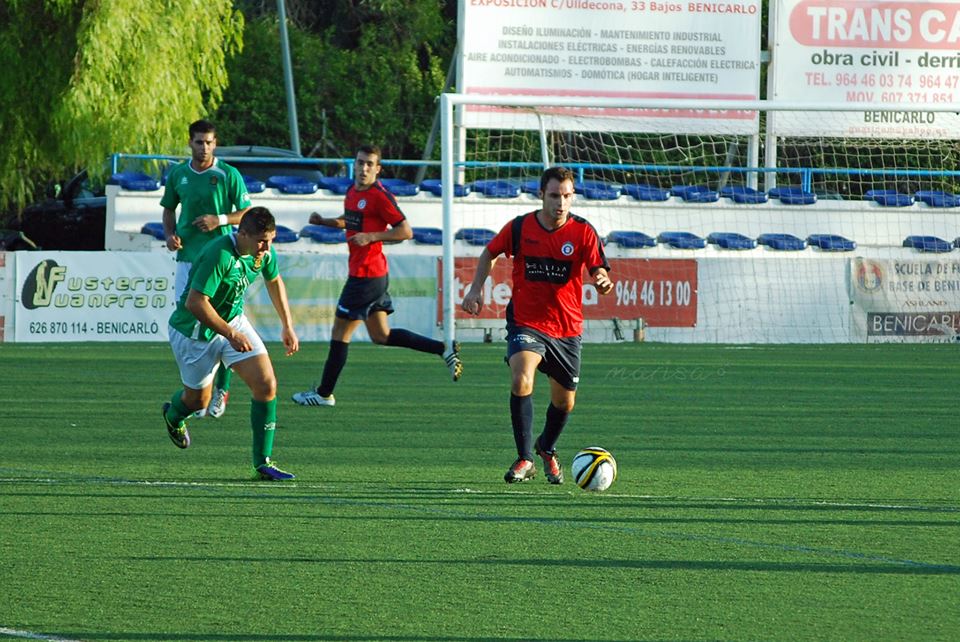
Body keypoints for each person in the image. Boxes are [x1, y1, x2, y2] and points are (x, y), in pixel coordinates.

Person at [461, 166, 613, 484]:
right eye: (555, 195)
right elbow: (490, 252)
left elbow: (600, 269)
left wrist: (601, 279)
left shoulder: (583, 232)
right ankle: (524, 458)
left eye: (567, 196)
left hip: (567, 328)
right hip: (526, 321)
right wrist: (475, 288)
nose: (561, 202)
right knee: (521, 380)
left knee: (564, 401)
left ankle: (546, 448)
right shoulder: (520, 228)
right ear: (541, 194)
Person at [292, 144, 462, 407]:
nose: (364, 168)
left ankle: (324, 393)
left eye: (370, 164)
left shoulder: (380, 196)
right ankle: (444, 348)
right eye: (360, 163)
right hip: (372, 275)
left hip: (366, 276)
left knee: (339, 331)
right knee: (381, 335)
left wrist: (373, 237)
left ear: (378, 169)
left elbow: (405, 231)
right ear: (355, 164)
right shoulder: (351, 191)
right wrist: (325, 222)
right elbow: (352, 221)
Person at [162, 206, 300, 481]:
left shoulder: (261, 253)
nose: (266, 247)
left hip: (232, 323)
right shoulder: (220, 254)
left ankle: (263, 463)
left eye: (270, 239)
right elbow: (195, 302)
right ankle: (174, 416)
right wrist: (230, 334)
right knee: (197, 401)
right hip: (195, 331)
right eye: (261, 240)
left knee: (266, 385)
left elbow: (274, 281)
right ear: (243, 234)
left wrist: (287, 324)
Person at [160, 119, 251, 419]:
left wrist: (220, 220)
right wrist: (169, 234)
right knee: (190, 325)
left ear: (216, 143)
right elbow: (168, 209)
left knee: (221, 324)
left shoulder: (228, 175)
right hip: (187, 260)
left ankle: (221, 389)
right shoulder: (178, 174)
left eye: (210, 142)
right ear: (190, 143)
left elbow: (248, 215)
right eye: (200, 142)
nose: (205, 147)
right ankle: (197, 391)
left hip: (220, 263)